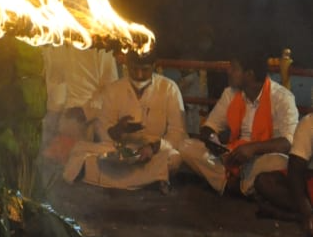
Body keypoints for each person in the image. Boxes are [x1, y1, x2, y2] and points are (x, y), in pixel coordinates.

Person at [62, 47, 187, 191]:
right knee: (80, 150)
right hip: (121, 150)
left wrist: (153, 148)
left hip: (153, 152)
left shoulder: (169, 89)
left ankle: (107, 178)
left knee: (174, 159)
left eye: (145, 69)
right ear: (127, 65)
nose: (139, 75)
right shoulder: (114, 89)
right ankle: (153, 180)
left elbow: (177, 133)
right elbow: (104, 130)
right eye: (134, 69)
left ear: (154, 66)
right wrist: (118, 130)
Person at [178, 52, 297, 196]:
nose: (229, 72)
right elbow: (209, 126)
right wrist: (213, 141)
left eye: (234, 69)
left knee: (281, 162)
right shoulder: (230, 94)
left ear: (249, 74)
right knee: (186, 146)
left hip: (261, 159)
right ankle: (239, 186)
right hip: (231, 156)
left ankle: (232, 184)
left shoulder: (282, 98)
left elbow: (288, 142)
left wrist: (252, 149)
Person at [42, 43, 119, 160]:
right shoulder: (55, 38)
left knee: (80, 165)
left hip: (88, 119)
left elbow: (111, 88)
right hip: (57, 117)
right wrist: (53, 115)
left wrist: (85, 111)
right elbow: (55, 80)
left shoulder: (99, 47)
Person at [254, 111, 313, 237]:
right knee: (265, 182)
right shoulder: (309, 123)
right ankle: (304, 216)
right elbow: (295, 171)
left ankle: (290, 216)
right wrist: (307, 211)